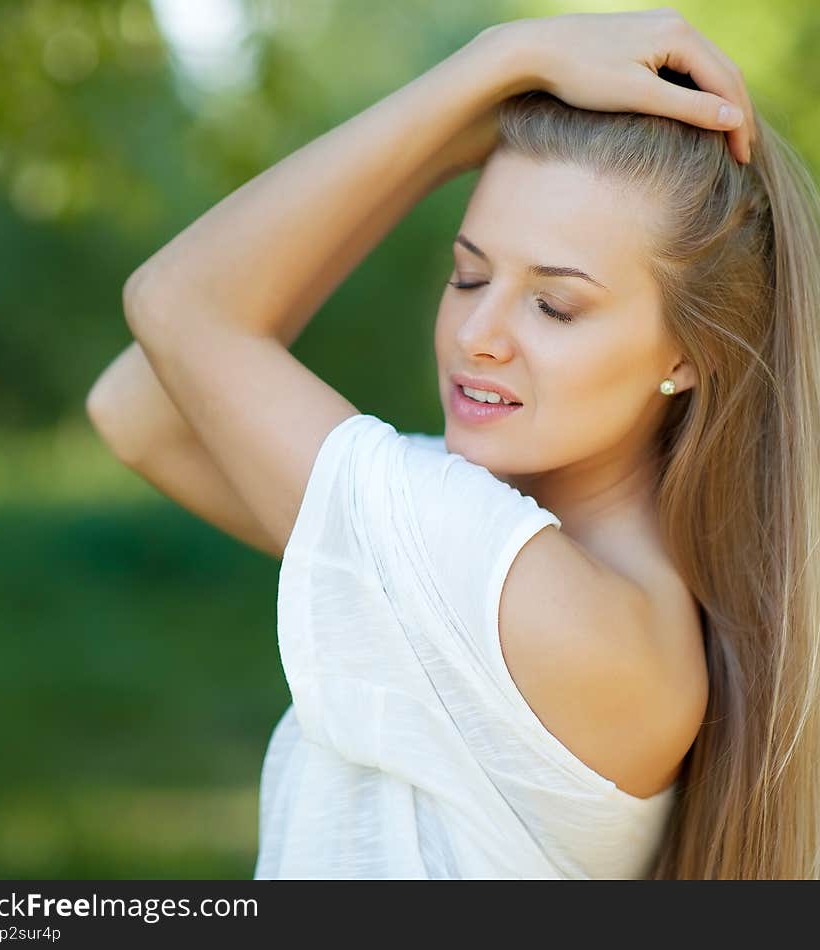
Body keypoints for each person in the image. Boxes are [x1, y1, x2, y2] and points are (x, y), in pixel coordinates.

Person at [86, 9, 820, 879]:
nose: (478, 332)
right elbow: (142, 406)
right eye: (468, 273)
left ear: (687, 356)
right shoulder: (544, 569)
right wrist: (468, 125)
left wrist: (488, 72)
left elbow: (177, 306)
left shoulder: (508, 584)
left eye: (554, 305)